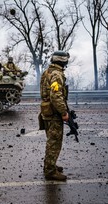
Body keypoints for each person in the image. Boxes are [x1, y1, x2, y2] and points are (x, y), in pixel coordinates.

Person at [39, 50, 70, 181]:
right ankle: (50, 171)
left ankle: (50, 165)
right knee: (54, 142)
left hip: (47, 111)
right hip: (54, 113)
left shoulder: (47, 72)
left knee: (51, 140)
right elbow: (56, 95)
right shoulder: (57, 74)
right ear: (63, 61)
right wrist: (63, 112)